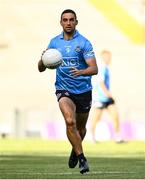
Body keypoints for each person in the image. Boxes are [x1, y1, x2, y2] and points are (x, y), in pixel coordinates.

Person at [38, 9, 98, 174]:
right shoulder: (54, 43)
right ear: (61, 22)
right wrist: (43, 60)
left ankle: (75, 148)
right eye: (65, 20)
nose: (68, 23)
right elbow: (40, 68)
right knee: (69, 121)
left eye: (71, 20)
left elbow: (94, 68)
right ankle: (82, 159)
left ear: (76, 22)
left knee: (81, 129)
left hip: (83, 90)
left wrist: (81, 72)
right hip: (64, 89)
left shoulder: (84, 43)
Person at [91, 50, 122, 143]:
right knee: (96, 118)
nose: (108, 58)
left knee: (115, 115)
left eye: (109, 57)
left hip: (106, 98)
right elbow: (101, 82)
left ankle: (117, 137)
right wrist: (109, 94)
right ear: (102, 57)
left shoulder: (106, 68)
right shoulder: (102, 68)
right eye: (106, 57)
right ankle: (92, 136)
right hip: (100, 98)